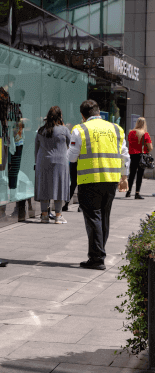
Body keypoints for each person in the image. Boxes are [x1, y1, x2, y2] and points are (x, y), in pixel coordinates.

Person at [68, 100, 129, 270]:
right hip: (111, 179)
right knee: (104, 216)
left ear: (82, 115)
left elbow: (72, 157)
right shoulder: (116, 129)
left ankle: (97, 258)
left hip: (90, 179)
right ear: (99, 111)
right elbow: (125, 155)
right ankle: (99, 253)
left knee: (93, 217)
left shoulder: (80, 129)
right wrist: (124, 176)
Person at [34, 106, 71, 224]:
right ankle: (58, 216)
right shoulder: (64, 130)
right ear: (60, 117)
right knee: (59, 187)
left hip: (43, 161)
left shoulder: (41, 130)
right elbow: (70, 144)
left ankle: (44, 215)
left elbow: (36, 149)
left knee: (44, 187)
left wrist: (38, 162)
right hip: (60, 162)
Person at [126, 117, 151, 199]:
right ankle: (137, 193)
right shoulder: (145, 134)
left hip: (132, 155)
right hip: (141, 155)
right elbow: (150, 147)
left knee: (132, 173)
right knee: (140, 174)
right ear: (144, 124)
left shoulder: (131, 133)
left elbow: (130, 143)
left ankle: (128, 192)